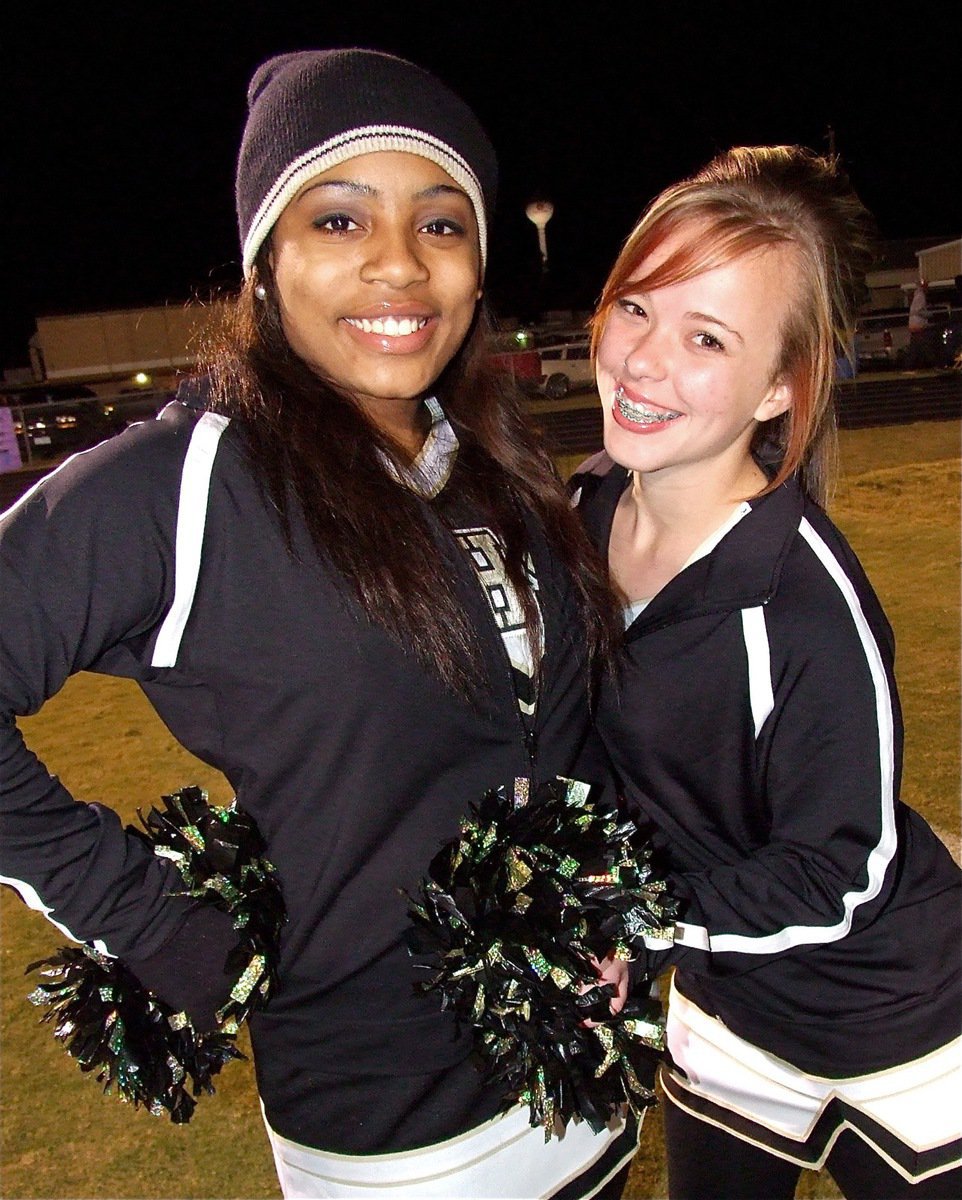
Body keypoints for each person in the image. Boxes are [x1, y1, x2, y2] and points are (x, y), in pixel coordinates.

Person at [0, 49, 638, 1199]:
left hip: (579, 1083)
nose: (398, 264)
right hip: (393, 1137)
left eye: (440, 226)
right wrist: (145, 917)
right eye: (339, 220)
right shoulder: (181, 484)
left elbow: (553, 736)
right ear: (264, 264)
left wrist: (601, 908)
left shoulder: (491, 464)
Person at [570, 146, 962, 1198]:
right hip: (729, 1018)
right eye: (637, 308)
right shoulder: (581, 515)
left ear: (777, 389)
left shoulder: (801, 604)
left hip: (898, 1027)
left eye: (706, 338)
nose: (644, 360)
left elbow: (837, 871)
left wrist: (632, 916)